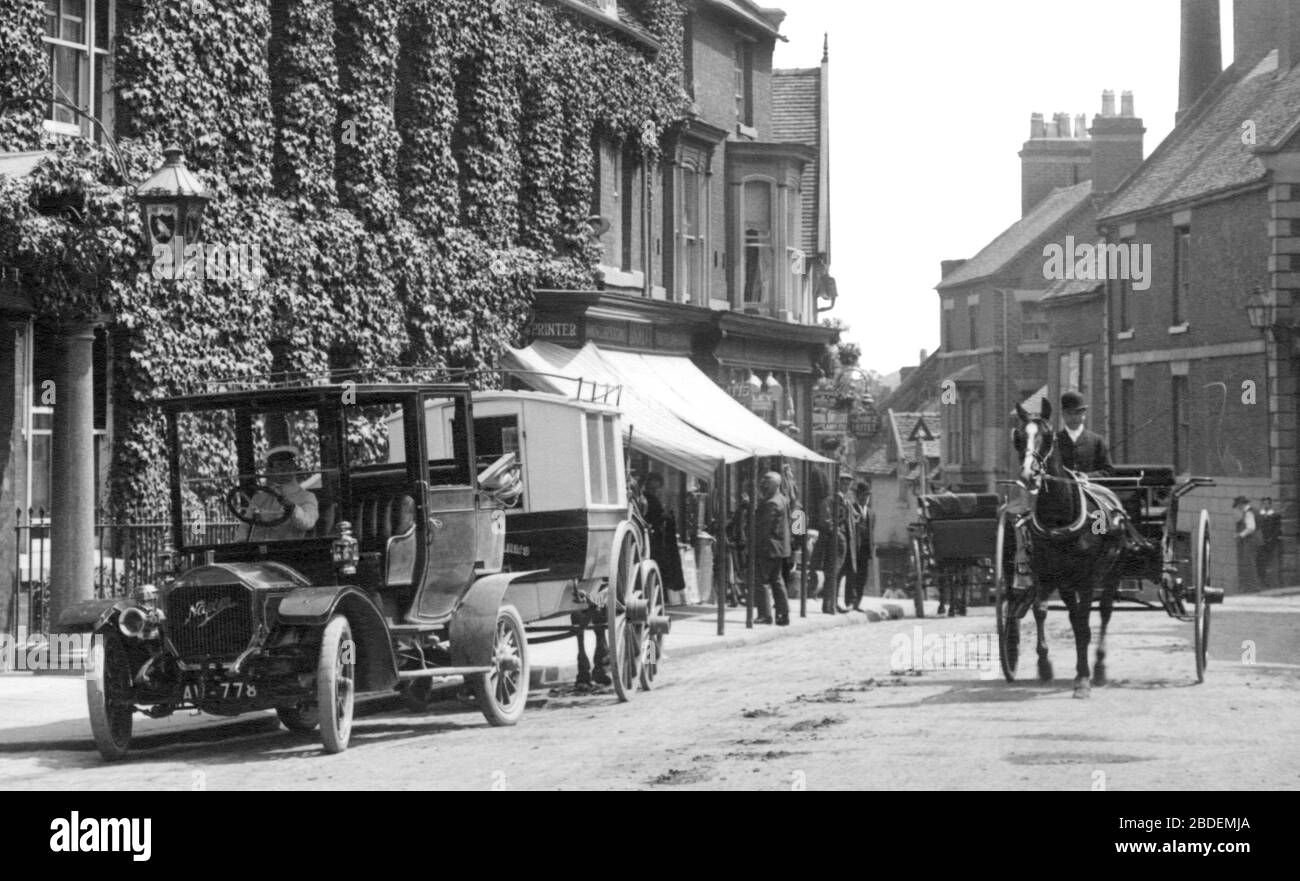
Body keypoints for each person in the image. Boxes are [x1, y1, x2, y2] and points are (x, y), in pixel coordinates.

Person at [246, 445, 319, 541]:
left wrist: (293, 508)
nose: (284, 469)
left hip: (289, 551)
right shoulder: (259, 498)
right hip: (258, 551)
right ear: (271, 470)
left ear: (294, 467)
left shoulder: (307, 497)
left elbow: (308, 522)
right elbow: (245, 527)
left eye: (288, 464)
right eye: (279, 465)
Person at [751, 471, 791, 626]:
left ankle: (765, 615)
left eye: (767, 484)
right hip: (780, 547)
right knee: (777, 580)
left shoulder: (771, 503)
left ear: (775, 485)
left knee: (761, 581)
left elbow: (763, 528)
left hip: (769, 547)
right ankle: (783, 612)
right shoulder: (783, 499)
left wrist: (753, 546)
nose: (764, 487)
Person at [1056, 392, 1114, 477]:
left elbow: (1108, 471)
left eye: (1078, 413)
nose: (1074, 418)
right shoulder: (1054, 440)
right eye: (1069, 413)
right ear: (1063, 414)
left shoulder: (1096, 440)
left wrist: (1088, 476)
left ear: (1085, 413)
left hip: (1089, 487)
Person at [822, 470, 855, 615]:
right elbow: (826, 520)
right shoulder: (830, 501)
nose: (846, 487)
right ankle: (829, 605)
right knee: (832, 573)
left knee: (837, 573)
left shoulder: (847, 502)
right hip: (834, 541)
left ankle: (833, 603)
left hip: (845, 542)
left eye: (848, 484)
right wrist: (837, 533)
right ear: (837, 484)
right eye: (843, 484)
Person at [845, 480, 875, 610]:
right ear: (858, 496)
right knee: (852, 575)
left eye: (867, 496)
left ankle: (858, 603)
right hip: (853, 549)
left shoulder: (871, 513)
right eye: (863, 496)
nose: (865, 499)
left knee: (863, 577)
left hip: (865, 550)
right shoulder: (851, 509)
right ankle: (849, 601)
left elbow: (871, 531)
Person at [1235, 495, 1261, 592]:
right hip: (1257, 539)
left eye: (1238, 506)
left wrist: (1241, 535)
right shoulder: (1255, 510)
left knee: (1250, 563)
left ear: (1241, 505)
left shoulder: (1248, 512)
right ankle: (1253, 586)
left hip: (1251, 540)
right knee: (1253, 562)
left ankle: (1253, 587)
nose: (1238, 508)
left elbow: (1251, 528)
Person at [1257, 497, 1282, 589]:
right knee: (1262, 563)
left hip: (1272, 544)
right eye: (1264, 504)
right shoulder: (1260, 515)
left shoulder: (1275, 516)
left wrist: (1271, 539)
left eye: (1267, 503)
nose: (1266, 505)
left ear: (1270, 505)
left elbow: (1277, 530)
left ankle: (1273, 584)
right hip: (1262, 544)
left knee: (1272, 563)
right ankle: (1263, 583)